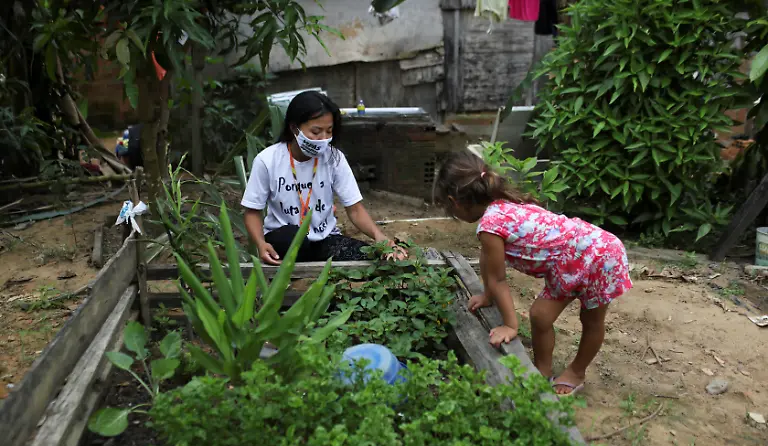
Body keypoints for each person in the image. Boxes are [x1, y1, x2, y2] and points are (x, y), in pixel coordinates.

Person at [433, 150, 632, 396]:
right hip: (583, 253)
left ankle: (576, 372)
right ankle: (542, 372)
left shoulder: (490, 225)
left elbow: (499, 278)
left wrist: (510, 325)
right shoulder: (501, 206)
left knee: (585, 320)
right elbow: (488, 262)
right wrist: (487, 295)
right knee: (542, 317)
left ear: (455, 202)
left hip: (597, 256)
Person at [242, 91, 406, 264]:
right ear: (293, 128)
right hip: (283, 242)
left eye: (329, 131)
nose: (323, 139)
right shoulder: (267, 161)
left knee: (369, 259)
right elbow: (252, 211)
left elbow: (355, 209)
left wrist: (380, 238)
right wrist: (261, 244)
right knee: (293, 238)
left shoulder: (334, 158)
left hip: (324, 240)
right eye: (316, 131)